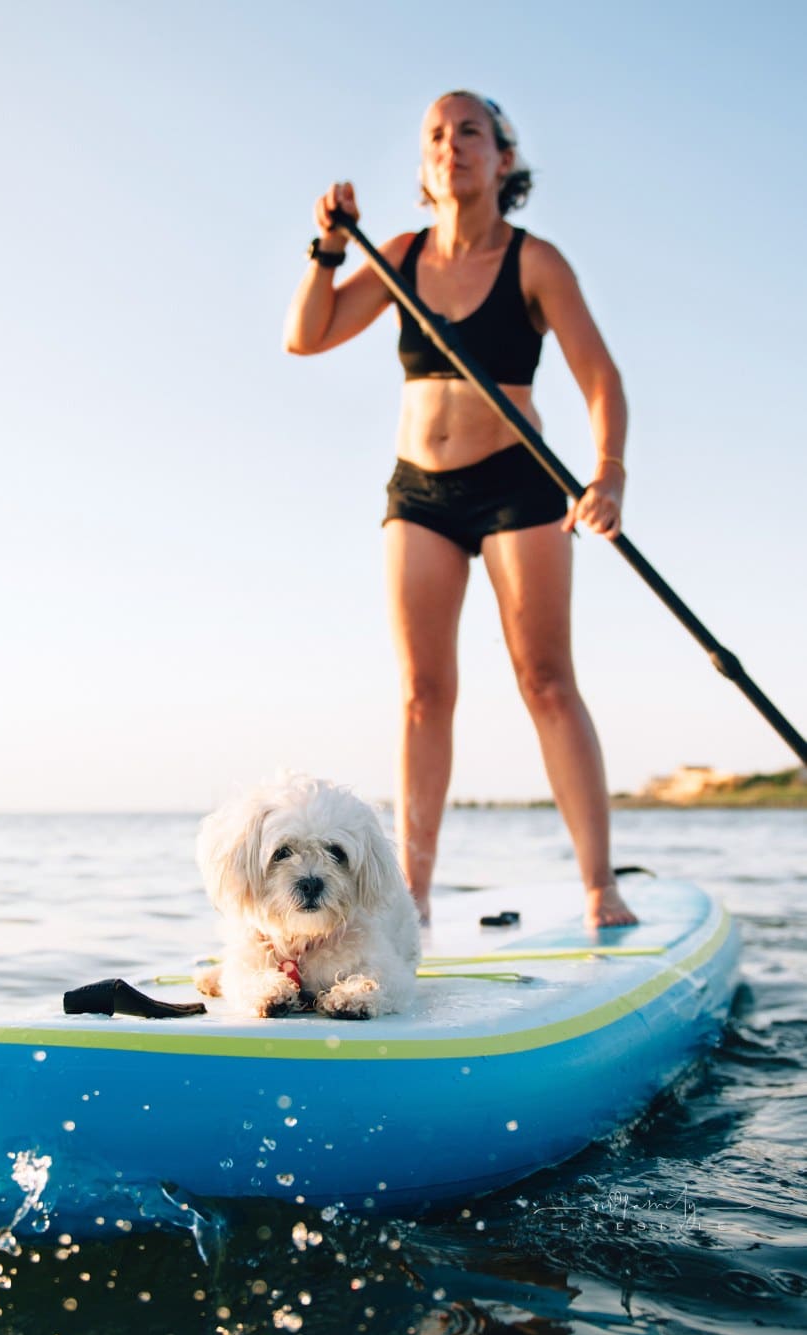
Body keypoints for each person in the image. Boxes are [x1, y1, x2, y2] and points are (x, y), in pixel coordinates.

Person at [283, 90, 637, 931]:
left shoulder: (536, 262)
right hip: (421, 490)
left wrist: (609, 473)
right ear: (424, 165)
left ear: (502, 158)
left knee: (546, 680)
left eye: (469, 132)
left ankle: (599, 886)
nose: (453, 146)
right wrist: (326, 250)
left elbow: (601, 379)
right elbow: (307, 334)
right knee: (422, 693)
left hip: (520, 482)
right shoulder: (399, 254)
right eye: (436, 136)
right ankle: (415, 895)